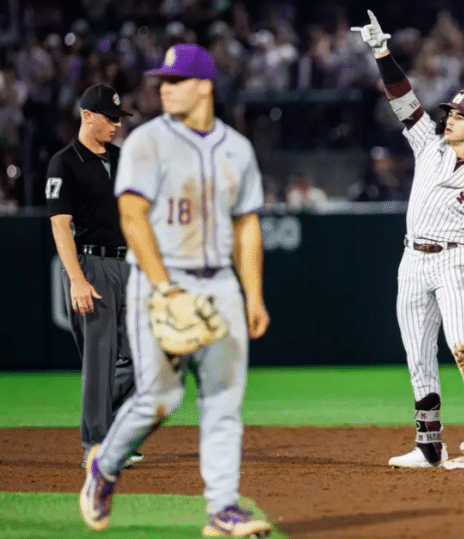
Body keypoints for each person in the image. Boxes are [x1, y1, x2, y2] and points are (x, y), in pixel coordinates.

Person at [79, 44, 272, 537]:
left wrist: (253, 295)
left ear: (204, 86)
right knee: (159, 398)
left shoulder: (237, 148)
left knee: (225, 401)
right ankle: (104, 467)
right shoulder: (147, 142)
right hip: (160, 280)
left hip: (220, 284)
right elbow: (131, 217)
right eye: (161, 81)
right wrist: (164, 289)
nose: (164, 88)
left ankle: (222, 510)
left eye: (175, 80)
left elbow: (247, 226)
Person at [352, 11, 464, 468]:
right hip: (413, 261)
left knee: (462, 342)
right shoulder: (428, 144)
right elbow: (403, 99)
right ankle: (428, 444)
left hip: (455, 262)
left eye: (459, 117)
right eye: (451, 114)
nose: (449, 119)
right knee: (418, 354)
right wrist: (382, 53)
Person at [45, 84, 142, 468]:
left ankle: (113, 432)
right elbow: (59, 226)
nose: (117, 124)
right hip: (93, 264)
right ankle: (97, 444)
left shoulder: (122, 158)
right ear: (87, 116)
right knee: (100, 359)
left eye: (120, 118)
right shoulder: (64, 162)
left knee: (144, 358)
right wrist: (76, 279)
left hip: (129, 264)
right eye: (110, 117)